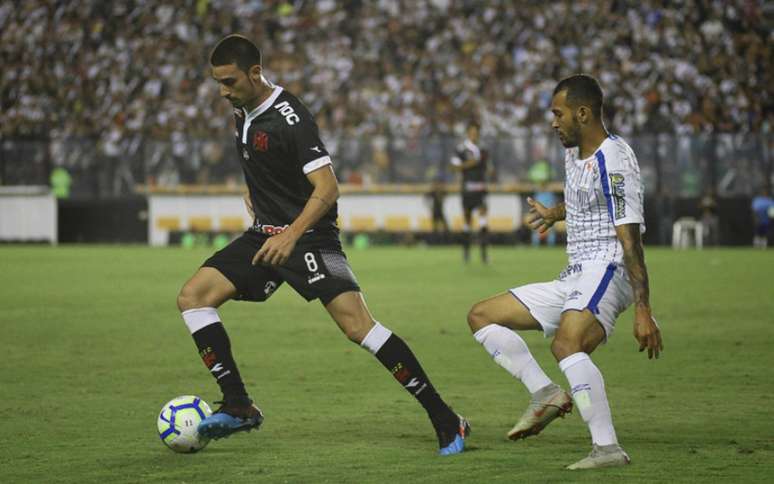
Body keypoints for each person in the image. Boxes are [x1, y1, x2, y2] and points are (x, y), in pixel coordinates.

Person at [176, 35, 469, 455]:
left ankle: (447, 421)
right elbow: (260, 163)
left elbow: (328, 188)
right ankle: (239, 405)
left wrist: (292, 234)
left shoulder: (289, 116)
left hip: (310, 235)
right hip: (266, 233)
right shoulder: (241, 109)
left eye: (229, 81)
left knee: (358, 327)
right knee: (193, 297)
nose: (222, 91)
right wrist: (256, 196)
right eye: (218, 82)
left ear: (255, 73)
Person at [466, 75, 663, 470]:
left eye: (559, 114)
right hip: (575, 274)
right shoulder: (574, 153)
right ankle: (545, 393)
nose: (553, 122)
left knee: (566, 345)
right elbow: (587, 202)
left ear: (583, 113)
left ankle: (606, 447)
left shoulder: (615, 159)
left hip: (609, 267)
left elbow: (630, 239)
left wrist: (644, 309)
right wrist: (554, 214)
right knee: (482, 316)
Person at [450, 122, 489, 263]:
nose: (474, 135)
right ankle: (466, 253)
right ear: (468, 133)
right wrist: (469, 164)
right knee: (467, 221)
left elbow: (487, 167)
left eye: (476, 132)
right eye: (472, 132)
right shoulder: (461, 149)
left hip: (481, 187)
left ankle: (484, 254)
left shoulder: (483, 149)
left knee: (483, 219)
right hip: (467, 188)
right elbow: (453, 167)